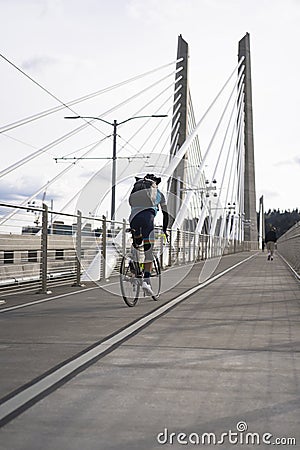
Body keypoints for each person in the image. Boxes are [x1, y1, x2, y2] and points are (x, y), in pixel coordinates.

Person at [129, 174, 169, 296]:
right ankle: (146, 280)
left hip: (133, 219)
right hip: (148, 220)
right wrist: (164, 230)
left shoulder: (137, 190)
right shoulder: (159, 195)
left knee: (136, 242)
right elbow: (166, 215)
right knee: (148, 252)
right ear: (156, 184)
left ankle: (133, 263)